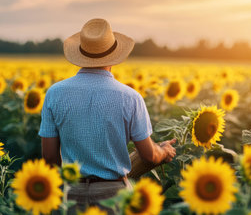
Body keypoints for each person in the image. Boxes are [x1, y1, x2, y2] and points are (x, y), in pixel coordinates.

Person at [38, 18, 176, 214]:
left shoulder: (55, 93)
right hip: (114, 196)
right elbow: (148, 155)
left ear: (80, 54)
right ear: (114, 56)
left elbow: (50, 157)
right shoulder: (130, 98)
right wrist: (163, 151)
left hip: (70, 194)